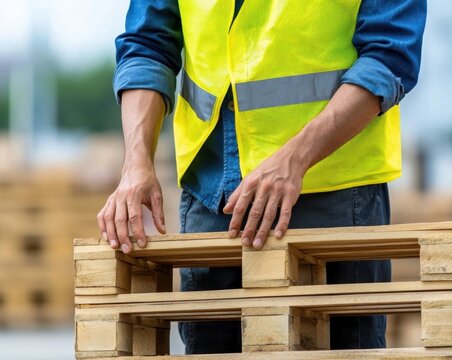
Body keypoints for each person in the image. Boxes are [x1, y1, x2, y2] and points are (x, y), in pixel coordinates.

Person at [97, 0, 427, 354]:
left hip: (333, 194)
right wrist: (136, 162)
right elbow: (148, 45)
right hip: (213, 196)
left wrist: (295, 159)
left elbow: (389, 55)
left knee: (342, 347)